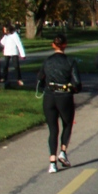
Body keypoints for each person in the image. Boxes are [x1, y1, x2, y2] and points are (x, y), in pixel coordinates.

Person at [36, 34, 82, 174]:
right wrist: (74, 89)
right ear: (65, 45)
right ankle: (63, 151)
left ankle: (52, 162)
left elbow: (39, 78)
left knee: (52, 129)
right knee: (67, 124)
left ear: (53, 45)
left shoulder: (47, 61)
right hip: (64, 96)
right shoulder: (70, 61)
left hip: (49, 96)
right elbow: (77, 82)